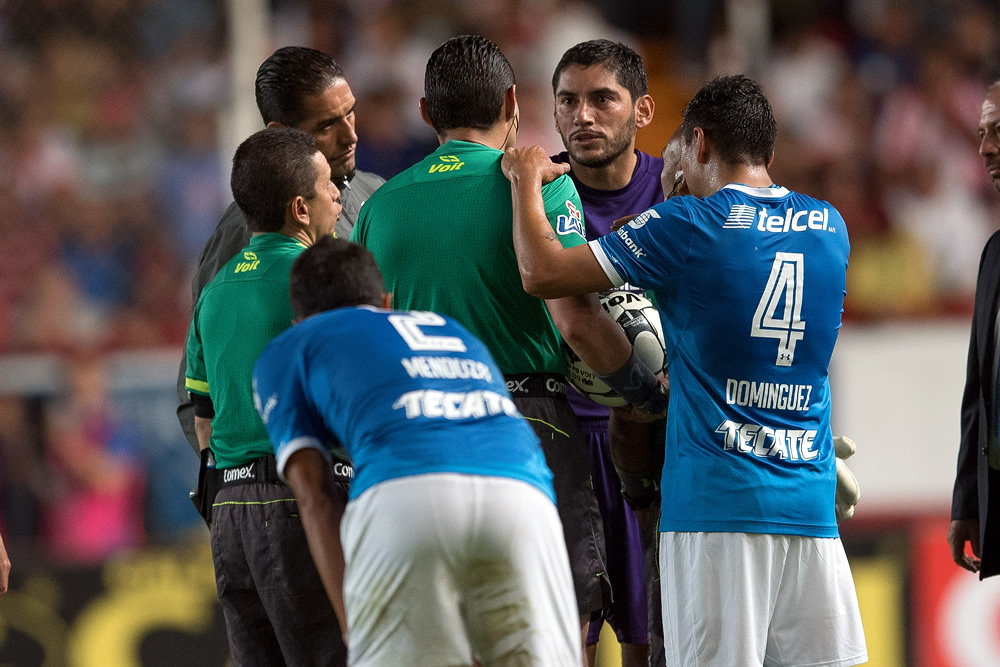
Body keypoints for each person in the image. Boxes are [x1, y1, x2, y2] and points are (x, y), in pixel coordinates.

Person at [502, 74, 868, 666]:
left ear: (698, 144)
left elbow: (543, 274)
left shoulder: (691, 225)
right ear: (768, 153)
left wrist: (523, 183)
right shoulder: (831, 226)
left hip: (714, 507)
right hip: (808, 502)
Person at [350, 34, 667, 658]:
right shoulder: (543, 183)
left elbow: (366, 330)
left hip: (418, 435)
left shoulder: (377, 207)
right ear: (513, 102)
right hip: (530, 425)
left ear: (425, 112)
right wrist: (640, 390)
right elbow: (575, 320)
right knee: (560, 624)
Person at [253, 235, 582, 666]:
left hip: (406, 496)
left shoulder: (294, 346)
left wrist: (354, 622)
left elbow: (314, 493)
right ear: (387, 302)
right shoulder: (451, 330)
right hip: (523, 498)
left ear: (299, 320)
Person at [184, 126, 348, 665]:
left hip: (230, 516)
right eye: (328, 184)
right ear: (301, 208)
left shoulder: (213, 291)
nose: (338, 195)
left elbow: (203, 419)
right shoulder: (320, 280)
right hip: (302, 502)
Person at [176, 46, 385, 453]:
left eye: (350, 113)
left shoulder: (377, 195)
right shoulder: (246, 233)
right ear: (279, 132)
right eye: (327, 125)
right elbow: (200, 390)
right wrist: (227, 486)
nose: (351, 135)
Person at [549, 39, 663, 667]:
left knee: (651, 638)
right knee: (574, 639)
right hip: (562, 436)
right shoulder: (536, 196)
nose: (583, 116)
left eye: (602, 99)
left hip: (652, 438)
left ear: (641, 109)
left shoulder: (677, 192)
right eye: (568, 101)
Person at [949, 78, 1000, 578]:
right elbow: (978, 395)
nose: (986, 148)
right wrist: (967, 500)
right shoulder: (993, 256)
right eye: (983, 133)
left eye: (999, 131)